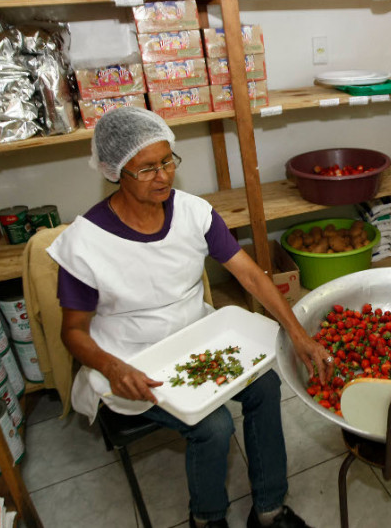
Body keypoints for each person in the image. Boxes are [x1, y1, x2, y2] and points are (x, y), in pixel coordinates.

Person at [47, 107, 331, 528]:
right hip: (131, 359)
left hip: (199, 338)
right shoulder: (85, 243)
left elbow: (251, 275)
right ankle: (207, 518)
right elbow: (72, 332)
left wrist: (298, 334)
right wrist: (112, 366)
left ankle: (270, 509)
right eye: (147, 169)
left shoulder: (194, 213)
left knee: (266, 386)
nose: (162, 176)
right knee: (213, 426)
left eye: (167, 161)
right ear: (115, 172)